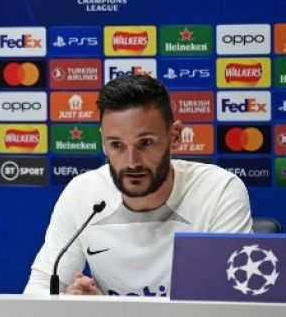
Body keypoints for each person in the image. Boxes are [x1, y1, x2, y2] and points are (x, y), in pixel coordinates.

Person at [23, 75, 252, 296]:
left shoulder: (218, 191)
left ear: (175, 136)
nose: (132, 162)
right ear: (103, 142)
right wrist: (73, 304)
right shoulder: (83, 193)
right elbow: (38, 290)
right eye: (117, 145)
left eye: (146, 143)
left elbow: (234, 303)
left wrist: (106, 314)